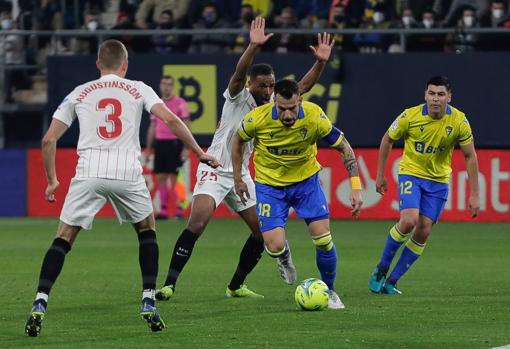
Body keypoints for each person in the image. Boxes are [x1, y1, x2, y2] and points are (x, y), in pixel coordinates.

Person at [24, 39, 220, 336]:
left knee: (64, 237)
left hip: (89, 171)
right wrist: (199, 151)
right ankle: (148, 299)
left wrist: (52, 180)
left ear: (98, 64)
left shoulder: (78, 93)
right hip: (127, 171)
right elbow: (171, 119)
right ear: (125, 65)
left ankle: (40, 300)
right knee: (147, 229)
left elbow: (48, 140)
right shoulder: (139, 88)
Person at [155, 17, 334, 301]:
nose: (267, 91)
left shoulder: (273, 105)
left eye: (271, 86)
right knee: (197, 223)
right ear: (251, 84)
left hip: (242, 174)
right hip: (215, 167)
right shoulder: (237, 97)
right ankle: (168, 285)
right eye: (262, 86)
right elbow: (238, 73)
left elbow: (302, 87)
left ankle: (236, 285)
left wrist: (321, 63)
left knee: (261, 234)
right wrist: (252, 46)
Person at [232, 79, 363, 309]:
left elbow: (344, 147)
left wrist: (355, 185)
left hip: (306, 184)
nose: (288, 115)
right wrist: (238, 178)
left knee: (323, 239)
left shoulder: (314, 116)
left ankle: (330, 291)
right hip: (270, 187)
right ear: (274, 102)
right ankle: (283, 256)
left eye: (292, 108)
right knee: (273, 246)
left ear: (300, 100)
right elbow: (238, 140)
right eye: (282, 109)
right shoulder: (257, 118)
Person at [368, 76, 480, 295]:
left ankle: (392, 281)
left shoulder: (459, 121)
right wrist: (380, 175)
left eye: (440, 94)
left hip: (438, 181)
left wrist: (475, 194)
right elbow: (387, 139)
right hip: (411, 173)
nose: (435, 99)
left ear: (449, 97)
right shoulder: (409, 116)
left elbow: (470, 156)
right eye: (431, 93)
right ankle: (381, 268)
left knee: (424, 230)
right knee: (409, 220)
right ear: (425, 95)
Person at [145, 75, 190, 219]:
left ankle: (180, 209)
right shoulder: (156, 103)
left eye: (169, 84)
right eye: (164, 84)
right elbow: (153, 126)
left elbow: (186, 125)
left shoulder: (180, 103)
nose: (166, 87)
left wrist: (186, 147)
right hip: (160, 143)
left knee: (176, 177)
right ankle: (163, 210)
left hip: (175, 143)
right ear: (160, 85)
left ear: (173, 86)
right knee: (161, 176)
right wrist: (148, 148)